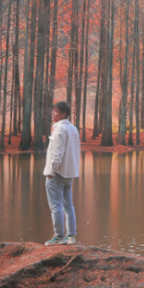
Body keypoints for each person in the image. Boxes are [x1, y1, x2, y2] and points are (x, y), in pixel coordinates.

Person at [43, 101, 81, 246]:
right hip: (69, 173)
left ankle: (59, 236)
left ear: (63, 114)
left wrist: (52, 170)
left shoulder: (59, 129)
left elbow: (57, 153)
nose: (53, 113)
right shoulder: (73, 128)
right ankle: (71, 236)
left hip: (57, 173)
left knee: (56, 206)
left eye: (56, 111)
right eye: (53, 111)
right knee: (68, 205)